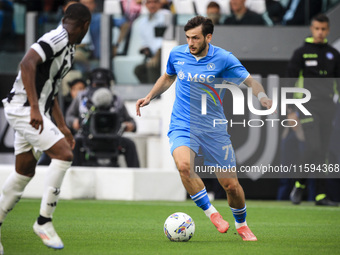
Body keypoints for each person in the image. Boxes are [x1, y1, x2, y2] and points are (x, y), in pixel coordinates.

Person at [136, 16, 273, 241]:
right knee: (183, 166)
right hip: (183, 122)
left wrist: (263, 97)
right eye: (188, 37)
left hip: (213, 127)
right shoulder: (177, 54)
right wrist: (150, 96)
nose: (190, 42)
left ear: (208, 37)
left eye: (195, 38)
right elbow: (168, 76)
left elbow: (250, 81)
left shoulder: (223, 58)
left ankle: (242, 224)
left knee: (230, 185)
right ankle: (212, 213)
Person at [0, 3, 91, 253]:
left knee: (24, 171)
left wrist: (61, 124)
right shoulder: (56, 37)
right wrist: (34, 108)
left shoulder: (70, 49)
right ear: (85, 25)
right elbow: (27, 64)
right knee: (64, 155)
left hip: (35, 111)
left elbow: (51, 88)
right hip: (23, 109)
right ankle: (44, 221)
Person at [288, 14, 340, 206]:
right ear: (312, 28)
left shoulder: (333, 54)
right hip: (308, 105)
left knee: (323, 151)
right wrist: (290, 109)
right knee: (314, 147)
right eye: (317, 28)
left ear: (328, 30)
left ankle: (320, 196)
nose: (320, 32)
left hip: (328, 106)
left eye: (323, 29)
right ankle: (300, 183)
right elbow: (290, 82)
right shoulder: (301, 52)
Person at [66, 68, 140, 168]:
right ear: (91, 84)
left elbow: (131, 121)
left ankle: (136, 176)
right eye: (96, 85)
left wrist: (129, 126)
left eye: (103, 85)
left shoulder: (117, 100)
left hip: (112, 139)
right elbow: (69, 116)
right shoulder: (81, 98)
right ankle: (75, 174)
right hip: (88, 138)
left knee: (130, 144)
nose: (99, 89)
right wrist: (75, 122)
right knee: (75, 143)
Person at [134, 0, 172, 84]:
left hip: (166, 53)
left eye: (155, 2)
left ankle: (155, 95)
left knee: (152, 67)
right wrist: (146, 50)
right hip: (152, 55)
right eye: (149, 2)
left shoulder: (166, 16)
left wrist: (157, 55)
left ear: (160, 3)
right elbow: (145, 42)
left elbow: (167, 40)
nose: (152, 5)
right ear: (145, 4)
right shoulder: (142, 22)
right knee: (138, 70)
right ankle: (152, 91)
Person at [73, 0, 100, 72]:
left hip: (87, 50)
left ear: (94, 5)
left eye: (89, 3)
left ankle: (89, 70)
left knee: (76, 54)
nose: (87, 6)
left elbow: (84, 43)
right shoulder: (70, 19)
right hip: (72, 49)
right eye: (84, 3)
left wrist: (116, 44)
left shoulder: (100, 18)